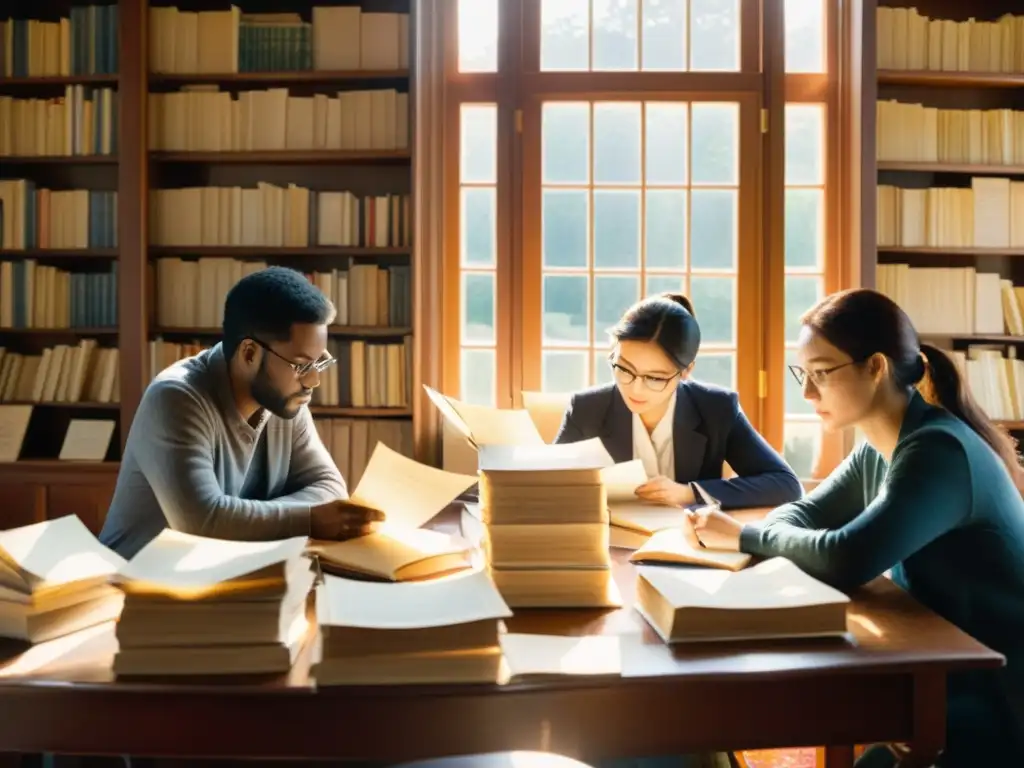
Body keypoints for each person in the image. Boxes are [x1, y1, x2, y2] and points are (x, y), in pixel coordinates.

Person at [690, 288, 1024, 767]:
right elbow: (797, 514)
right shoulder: (878, 445)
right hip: (934, 663)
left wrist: (743, 535)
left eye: (821, 373)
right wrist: (772, 535)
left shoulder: (937, 451)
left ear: (876, 368)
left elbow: (848, 557)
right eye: (803, 374)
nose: (807, 392)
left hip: (997, 695)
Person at [100, 266, 383, 560]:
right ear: (249, 353)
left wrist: (243, 519)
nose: (313, 380)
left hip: (220, 578)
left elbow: (331, 489)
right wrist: (310, 519)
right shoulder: (176, 398)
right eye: (301, 365)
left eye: (319, 362)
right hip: (131, 586)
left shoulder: (284, 401)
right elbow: (202, 522)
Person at [554, 292, 802, 510]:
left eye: (655, 377)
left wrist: (689, 493)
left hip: (687, 543)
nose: (635, 388)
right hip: (607, 544)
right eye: (624, 369)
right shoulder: (587, 409)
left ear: (686, 371)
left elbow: (785, 484)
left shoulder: (716, 408)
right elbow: (543, 484)